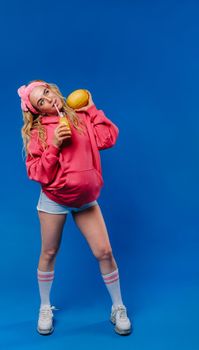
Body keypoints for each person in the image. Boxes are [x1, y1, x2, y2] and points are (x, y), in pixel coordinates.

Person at [17, 80, 132, 336]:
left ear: (54, 89)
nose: (48, 100)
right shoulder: (39, 133)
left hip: (85, 198)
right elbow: (37, 173)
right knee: (49, 251)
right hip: (55, 199)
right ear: (37, 110)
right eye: (41, 102)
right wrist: (55, 144)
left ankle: (118, 306)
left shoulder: (81, 117)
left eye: (47, 93)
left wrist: (91, 109)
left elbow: (109, 138)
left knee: (104, 252)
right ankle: (45, 306)